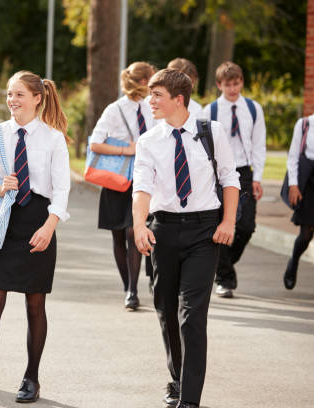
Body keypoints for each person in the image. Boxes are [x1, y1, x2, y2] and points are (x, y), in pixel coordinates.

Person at [133, 68, 240, 408]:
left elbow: (229, 178)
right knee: (166, 309)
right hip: (162, 230)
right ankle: (177, 378)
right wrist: (139, 226)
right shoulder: (149, 141)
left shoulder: (212, 132)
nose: (150, 101)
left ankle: (190, 400)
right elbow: (142, 189)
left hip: (203, 232)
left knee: (192, 314)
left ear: (178, 99)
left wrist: (229, 222)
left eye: (157, 95)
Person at [0, 71, 70, 407]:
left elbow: (62, 189)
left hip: (39, 223)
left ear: (38, 98)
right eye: (9, 94)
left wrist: (49, 226)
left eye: (19, 94)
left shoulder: (54, 139)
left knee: (35, 303)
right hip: (4, 222)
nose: (12, 101)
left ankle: (31, 377)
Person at [89, 61, 155, 310]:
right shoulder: (114, 109)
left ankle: (133, 289)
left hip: (144, 179)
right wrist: (126, 149)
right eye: (152, 79)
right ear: (142, 82)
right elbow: (95, 144)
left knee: (132, 231)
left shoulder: (153, 107)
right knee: (119, 234)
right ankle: (128, 284)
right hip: (117, 180)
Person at [202, 61, 266, 298]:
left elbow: (259, 144)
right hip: (218, 173)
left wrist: (257, 177)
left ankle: (223, 262)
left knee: (247, 225)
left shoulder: (252, 108)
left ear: (242, 82)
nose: (233, 89)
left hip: (244, 171)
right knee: (221, 222)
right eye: (228, 84)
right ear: (219, 84)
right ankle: (225, 278)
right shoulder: (210, 111)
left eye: (236, 83)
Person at [283, 114, 314, 289]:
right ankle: (293, 262)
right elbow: (293, 156)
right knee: (306, 235)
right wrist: (293, 185)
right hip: (308, 182)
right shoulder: (304, 124)